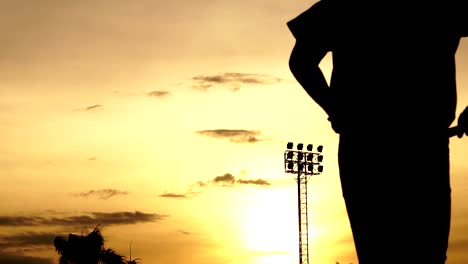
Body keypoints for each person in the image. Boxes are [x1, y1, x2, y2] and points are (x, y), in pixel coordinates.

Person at [287, 1, 468, 263]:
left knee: (380, 251)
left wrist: (334, 108)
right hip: (417, 145)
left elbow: (301, 61)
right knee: (424, 251)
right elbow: (300, 62)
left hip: (372, 145)